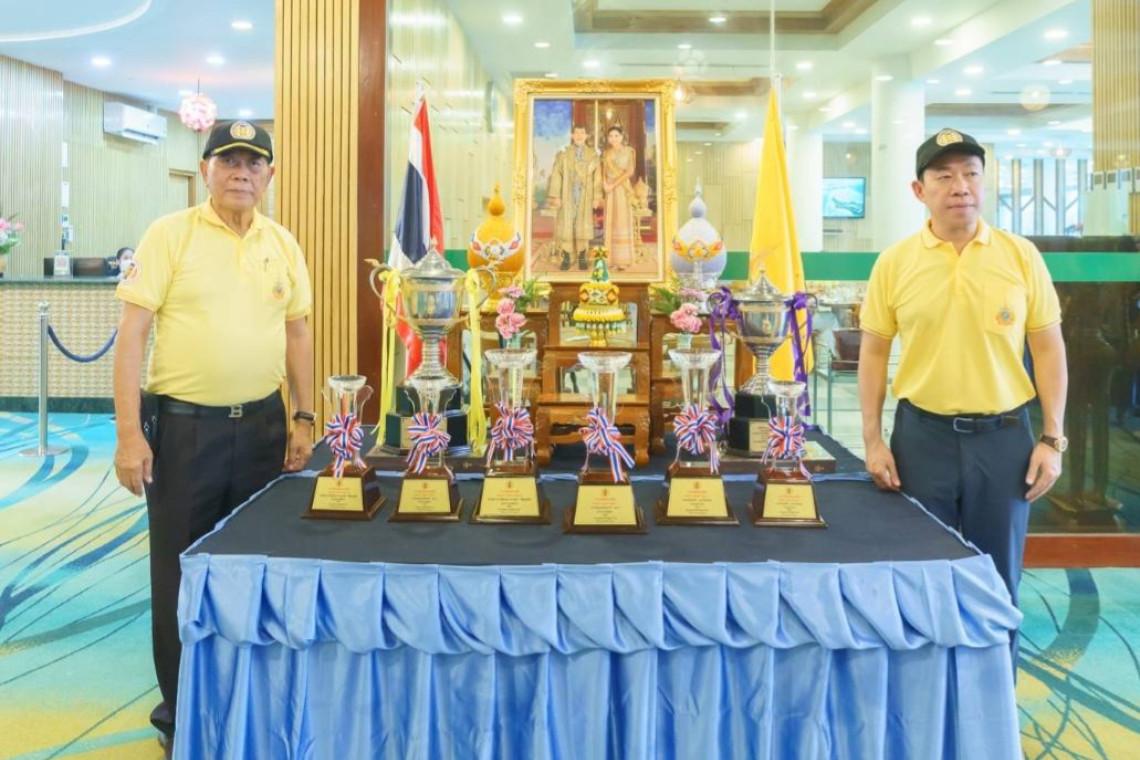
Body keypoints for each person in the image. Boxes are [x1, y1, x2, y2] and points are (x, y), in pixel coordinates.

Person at [112, 119, 315, 748]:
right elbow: (132, 337)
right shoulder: (169, 235)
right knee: (179, 570)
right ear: (205, 170)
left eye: (254, 163)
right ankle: (182, 712)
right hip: (183, 434)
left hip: (263, 430)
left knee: (255, 565)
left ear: (270, 175)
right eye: (228, 161)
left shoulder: (282, 243)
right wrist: (128, 433)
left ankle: (246, 699)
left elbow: (297, 333)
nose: (241, 174)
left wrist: (304, 417)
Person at [858, 127, 1067, 669]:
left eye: (971, 174)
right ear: (919, 190)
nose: (960, 187)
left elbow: (1048, 349)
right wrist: (873, 440)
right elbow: (874, 354)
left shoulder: (1020, 256)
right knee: (921, 576)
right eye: (944, 176)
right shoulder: (895, 262)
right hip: (920, 439)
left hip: (1005, 443)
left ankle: (993, 702)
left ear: (984, 182)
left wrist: (1052, 439)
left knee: (997, 582)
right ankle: (927, 700)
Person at [547, 124, 602, 271]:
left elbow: (597, 178)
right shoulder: (563, 154)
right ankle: (567, 257)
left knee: (583, 225)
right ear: (572, 135)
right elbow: (556, 175)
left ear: (586, 136)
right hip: (567, 195)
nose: (579, 136)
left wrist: (596, 197)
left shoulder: (593, 155)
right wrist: (556, 196)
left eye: (582, 133)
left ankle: (582, 257)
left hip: (585, 195)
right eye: (576, 133)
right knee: (567, 225)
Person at [602, 125, 638, 271]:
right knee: (611, 221)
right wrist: (605, 184)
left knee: (622, 221)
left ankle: (623, 260)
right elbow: (603, 170)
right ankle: (610, 259)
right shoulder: (607, 153)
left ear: (622, 137)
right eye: (611, 136)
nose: (613, 138)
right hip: (609, 189)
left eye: (616, 135)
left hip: (622, 188)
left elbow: (630, 172)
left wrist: (613, 185)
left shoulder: (629, 151)